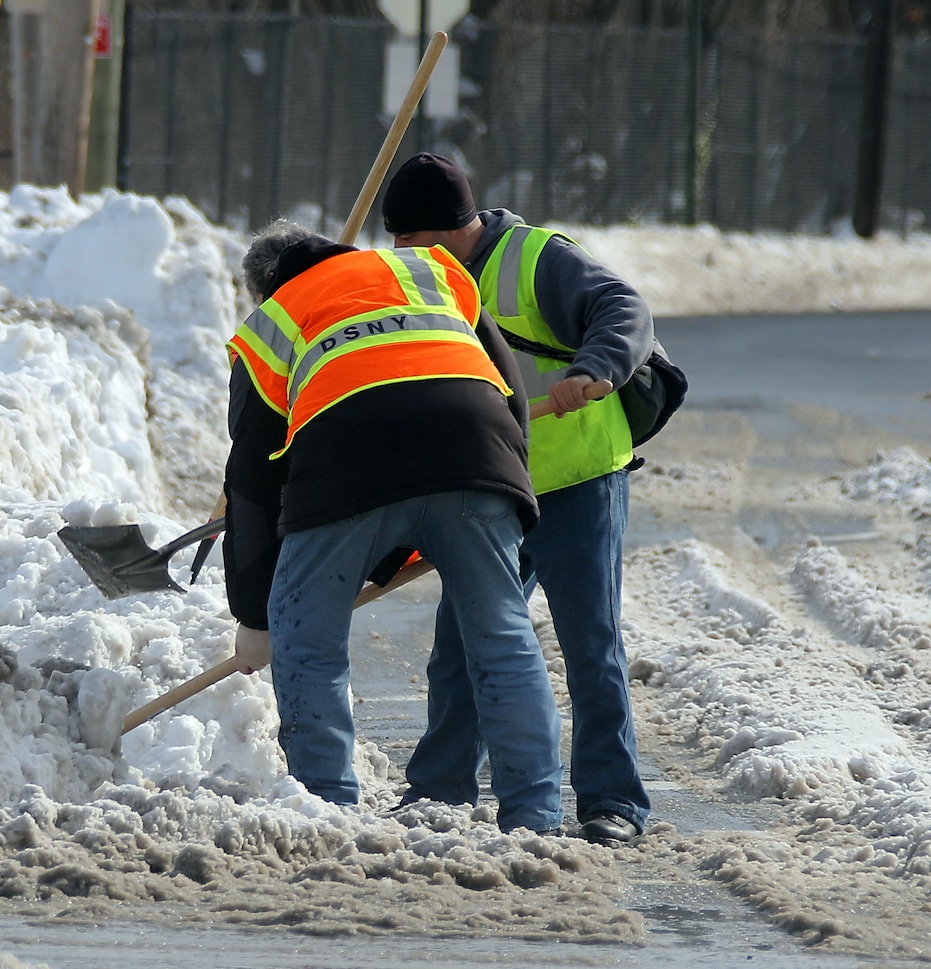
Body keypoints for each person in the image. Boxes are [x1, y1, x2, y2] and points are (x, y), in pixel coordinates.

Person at [222, 219, 563, 835]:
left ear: (264, 288)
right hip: (478, 456)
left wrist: (256, 619)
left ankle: (326, 809)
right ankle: (535, 814)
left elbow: (250, 483)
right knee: (505, 641)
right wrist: (495, 502)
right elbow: (512, 394)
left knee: (309, 642)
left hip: (346, 468)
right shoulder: (430, 270)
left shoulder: (270, 324)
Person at [381, 153, 653, 844]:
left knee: (589, 641)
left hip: (577, 479)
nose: (400, 261)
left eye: (406, 245)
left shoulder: (537, 259)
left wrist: (594, 367)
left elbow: (624, 307)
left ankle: (612, 800)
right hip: (493, 488)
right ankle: (439, 788)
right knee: (462, 641)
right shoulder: (427, 281)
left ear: (439, 231)